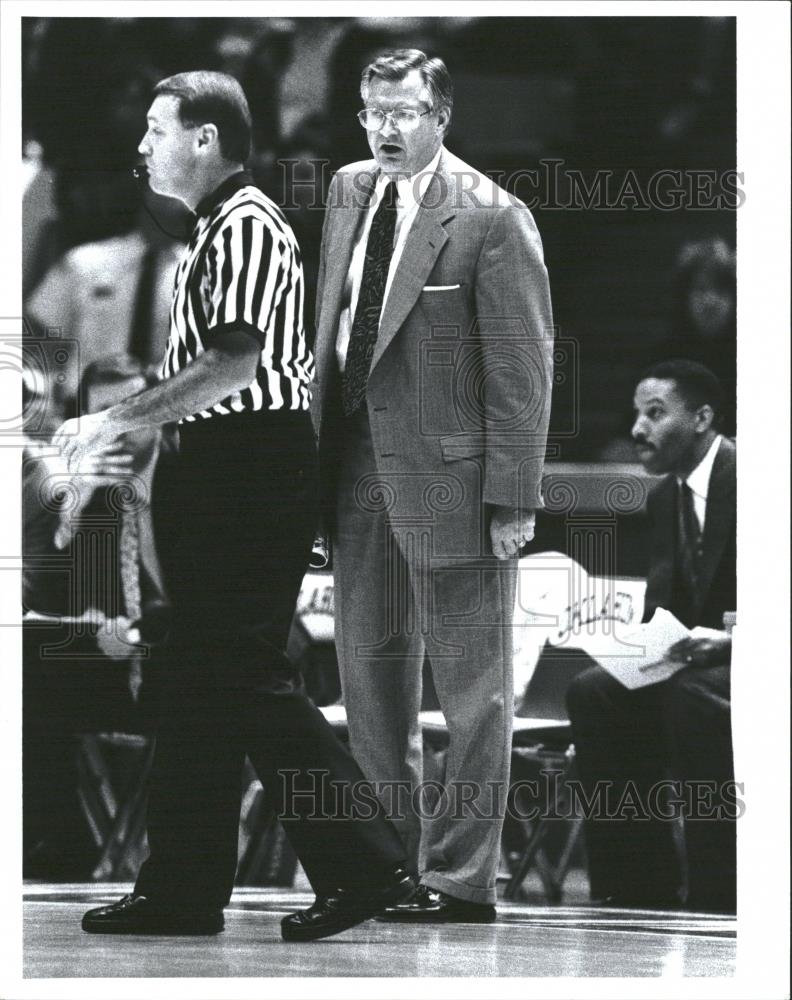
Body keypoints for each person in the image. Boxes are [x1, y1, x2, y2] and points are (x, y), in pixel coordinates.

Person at [53, 70, 414, 942]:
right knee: (197, 679)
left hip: (250, 471)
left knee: (244, 673)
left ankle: (368, 861)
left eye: (156, 128)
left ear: (204, 139)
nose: (141, 146)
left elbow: (233, 366)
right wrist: (140, 437)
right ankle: (182, 884)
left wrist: (115, 416)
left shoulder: (246, 226)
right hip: (220, 464)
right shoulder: (216, 229)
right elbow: (207, 383)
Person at [312, 49, 554, 922]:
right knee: (369, 689)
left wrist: (515, 499)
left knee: (472, 693)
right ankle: (385, 865)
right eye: (373, 110)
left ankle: (459, 878)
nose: (385, 127)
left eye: (405, 111)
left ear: (441, 115)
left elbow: (524, 368)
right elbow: (332, 335)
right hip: (351, 467)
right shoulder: (345, 191)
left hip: (456, 482)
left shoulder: (493, 216)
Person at [567, 360, 737, 913]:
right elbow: (666, 610)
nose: (638, 429)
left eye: (656, 414)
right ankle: (635, 889)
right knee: (593, 691)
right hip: (701, 661)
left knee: (694, 696)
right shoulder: (665, 497)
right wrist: (626, 641)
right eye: (637, 415)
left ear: (703, 418)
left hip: (751, 660)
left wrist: (736, 643)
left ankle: (721, 892)